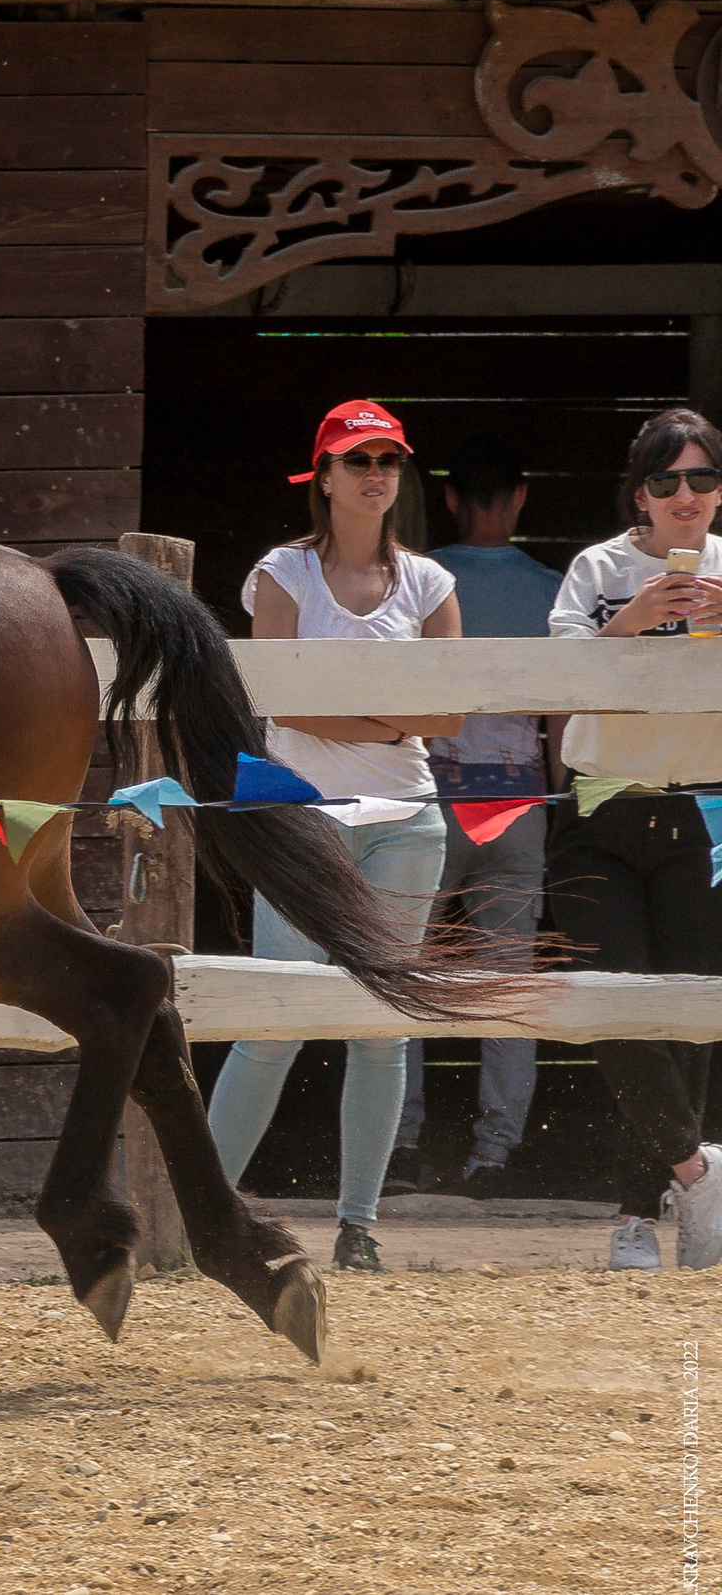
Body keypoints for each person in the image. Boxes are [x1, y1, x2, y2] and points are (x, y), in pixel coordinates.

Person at [207, 400, 464, 1274]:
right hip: (298, 818)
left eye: (388, 459)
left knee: (380, 1026)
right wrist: (393, 724)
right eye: (357, 460)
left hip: (405, 820)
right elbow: (278, 700)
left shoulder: (430, 582)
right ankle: (199, 1209)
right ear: (323, 477)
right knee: (272, 1022)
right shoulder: (282, 572)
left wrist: (357, 721)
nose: (375, 475)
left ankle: (360, 1225)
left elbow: (451, 712)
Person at [543, 407, 722, 1272]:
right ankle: (698, 1172)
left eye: (701, 478)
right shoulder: (598, 567)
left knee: (688, 1019)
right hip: (601, 807)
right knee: (613, 1005)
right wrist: (637, 615)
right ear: (639, 494)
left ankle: (639, 1212)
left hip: (699, 812)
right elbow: (558, 674)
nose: (684, 496)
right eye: (665, 480)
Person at [387, 439, 562, 1196]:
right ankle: (496, 1156)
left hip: (430, 796)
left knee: (401, 971)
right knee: (507, 980)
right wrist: (558, 796)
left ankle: (397, 1142)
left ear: (451, 500)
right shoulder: (556, 589)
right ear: (521, 498)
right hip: (521, 802)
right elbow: (560, 713)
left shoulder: (422, 582)